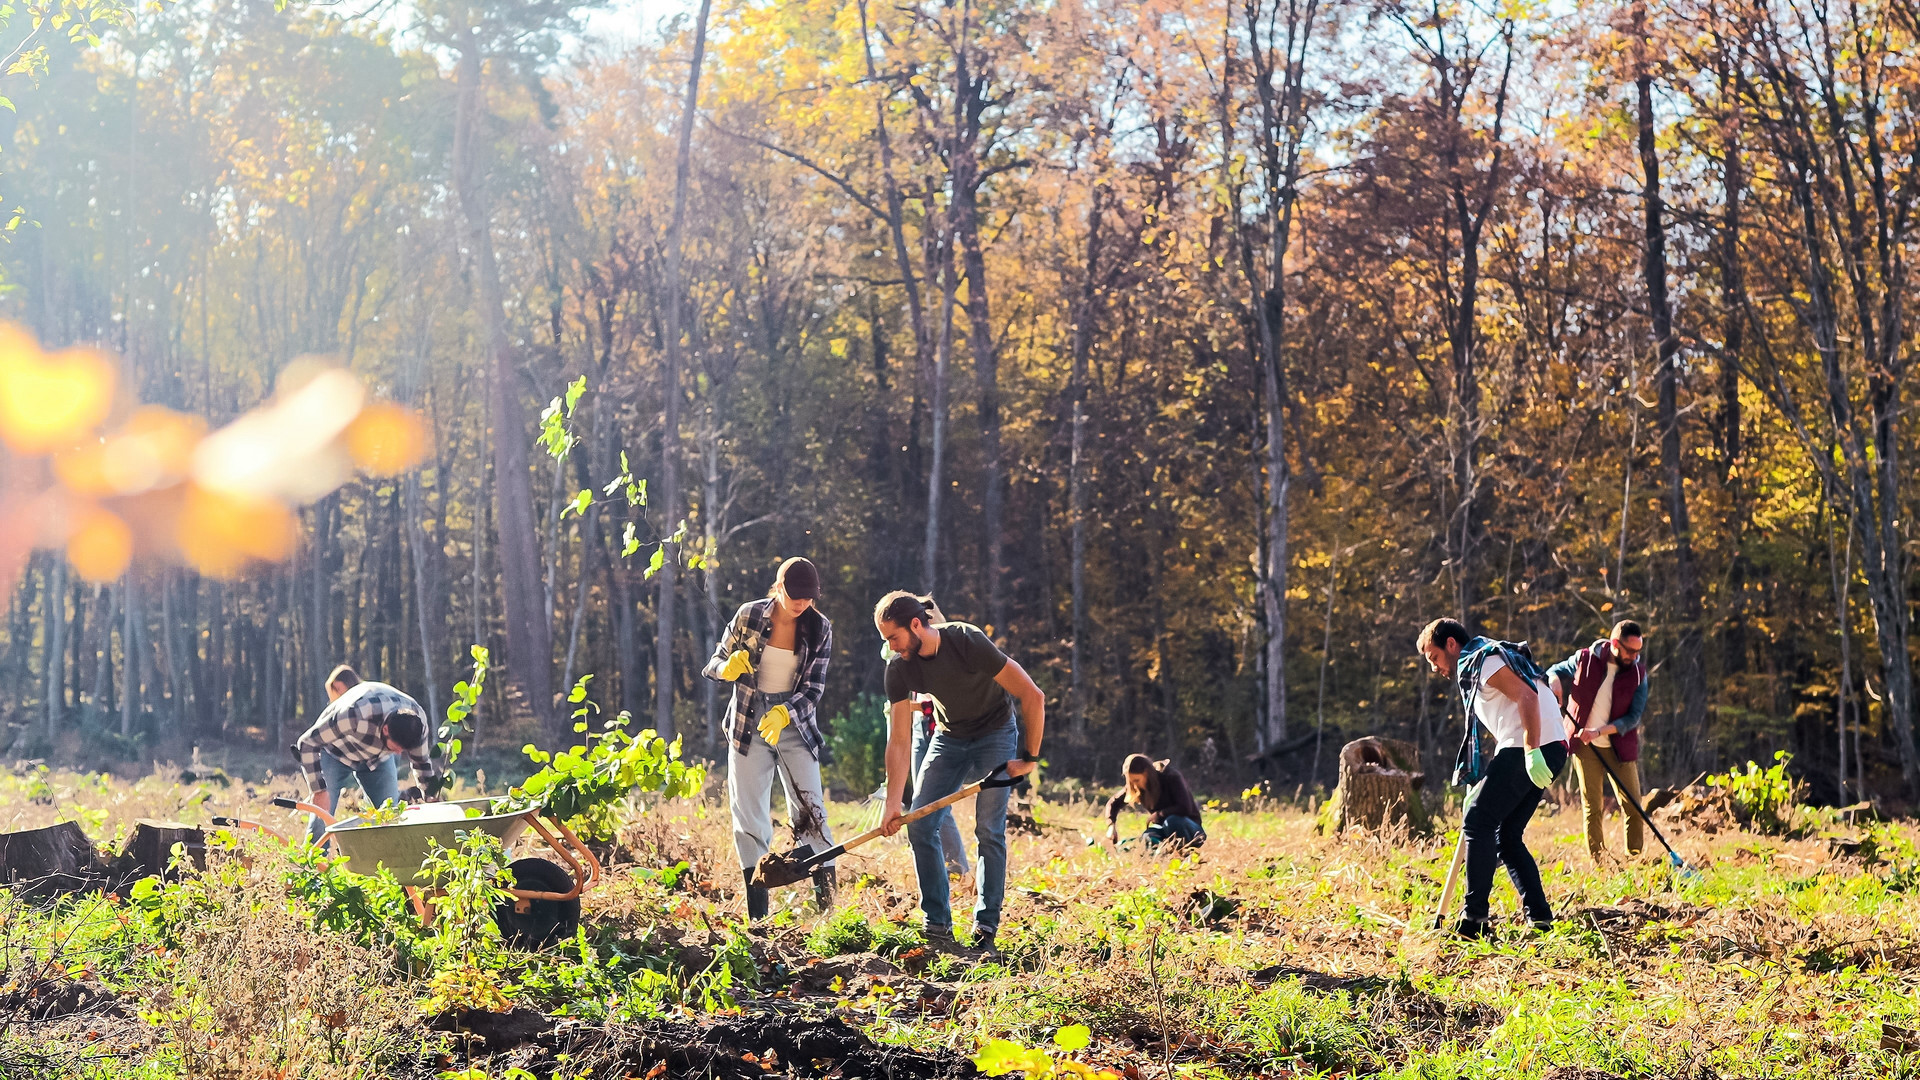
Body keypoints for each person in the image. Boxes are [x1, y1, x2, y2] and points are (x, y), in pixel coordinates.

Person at [876, 591, 1045, 953]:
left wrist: (1029, 757)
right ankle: (937, 926)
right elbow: (900, 741)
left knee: (988, 828)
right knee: (920, 825)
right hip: (949, 737)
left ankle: (985, 929)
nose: (891, 647)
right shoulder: (900, 668)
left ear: (917, 624)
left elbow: (1033, 695)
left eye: (894, 637)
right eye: (886, 640)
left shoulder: (967, 640)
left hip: (996, 734)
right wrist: (893, 803)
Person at [1417, 618, 1570, 937]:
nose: (1435, 668)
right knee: (1506, 836)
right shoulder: (1492, 657)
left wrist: (1530, 750)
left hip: (1531, 746)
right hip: (1551, 748)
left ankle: (1475, 920)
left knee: (1477, 823)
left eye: (1434, 658)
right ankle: (1540, 918)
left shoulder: (1479, 659)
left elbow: (1528, 696)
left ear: (1450, 645)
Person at [703, 557, 837, 919]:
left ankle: (829, 915)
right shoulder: (749, 615)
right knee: (749, 818)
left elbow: (814, 689)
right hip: (747, 725)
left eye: (808, 597)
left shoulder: (820, 628)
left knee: (811, 813)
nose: (801, 603)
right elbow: (713, 663)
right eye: (794, 595)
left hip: (793, 725)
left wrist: (785, 713)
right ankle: (758, 919)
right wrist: (726, 668)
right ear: (778, 588)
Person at [293, 665, 442, 842]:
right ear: (385, 729)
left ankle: (383, 863)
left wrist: (431, 797)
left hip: (377, 760)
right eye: (396, 747)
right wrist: (318, 790)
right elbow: (307, 742)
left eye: (404, 749)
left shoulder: (417, 722)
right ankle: (313, 865)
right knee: (321, 814)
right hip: (336, 753)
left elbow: (422, 764)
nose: (400, 752)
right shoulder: (354, 714)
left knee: (389, 817)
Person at [1547, 621, 1649, 863]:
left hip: (1619, 745)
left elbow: (1633, 717)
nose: (1634, 657)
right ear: (1615, 644)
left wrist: (1600, 731)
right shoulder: (1585, 659)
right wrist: (1553, 681)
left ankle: (1634, 859)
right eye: (1630, 651)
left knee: (1633, 806)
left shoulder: (1638, 674)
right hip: (1585, 748)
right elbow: (1554, 671)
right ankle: (1600, 863)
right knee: (1593, 807)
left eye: (1638, 651)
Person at [1104, 754, 1205, 850]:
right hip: (1165, 829)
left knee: (1171, 821)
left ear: (1146, 773)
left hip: (1191, 829)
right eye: (1131, 781)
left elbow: (1185, 808)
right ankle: (1162, 860)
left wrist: (1158, 815)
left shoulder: (1171, 777)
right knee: (1147, 837)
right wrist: (1111, 825)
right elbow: (1113, 803)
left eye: (1137, 780)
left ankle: (1185, 853)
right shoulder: (1137, 786)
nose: (1134, 785)